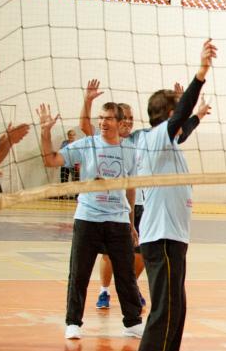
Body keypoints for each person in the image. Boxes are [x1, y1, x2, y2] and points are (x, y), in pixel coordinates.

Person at [126, 39, 215, 351]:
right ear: (166, 116)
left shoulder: (169, 144)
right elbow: (179, 122)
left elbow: (183, 126)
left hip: (173, 237)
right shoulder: (152, 140)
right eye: (176, 111)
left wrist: (197, 115)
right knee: (164, 309)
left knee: (177, 308)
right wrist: (200, 74)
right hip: (160, 238)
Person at [81, 80, 210, 310]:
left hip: (144, 205)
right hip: (118, 207)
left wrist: (196, 115)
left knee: (139, 254)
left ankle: (130, 289)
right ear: (115, 121)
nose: (128, 122)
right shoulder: (117, 142)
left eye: (131, 118)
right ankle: (104, 291)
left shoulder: (148, 137)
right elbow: (87, 130)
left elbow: (179, 132)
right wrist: (88, 102)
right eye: (124, 118)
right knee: (112, 255)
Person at [37, 102, 143, 340]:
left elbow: (130, 189)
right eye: (101, 118)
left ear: (119, 122)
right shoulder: (87, 145)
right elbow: (51, 160)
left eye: (108, 118)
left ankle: (133, 322)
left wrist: (131, 223)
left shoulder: (129, 151)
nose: (103, 122)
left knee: (126, 274)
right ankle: (73, 322)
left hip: (117, 219)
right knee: (79, 273)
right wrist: (45, 132)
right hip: (88, 217)